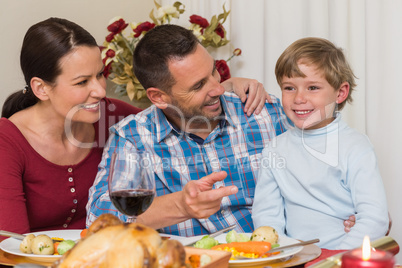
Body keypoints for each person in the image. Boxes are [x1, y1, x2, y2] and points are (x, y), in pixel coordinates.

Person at [0, 18, 270, 235]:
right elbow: (9, 244)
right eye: (82, 82)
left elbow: (171, 109)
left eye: (100, 75)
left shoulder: (114, 117)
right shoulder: (8, 141)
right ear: (40, 88)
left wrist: (221, 89)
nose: (99, 90)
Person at [86, 25, 357, 236]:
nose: (218, 88)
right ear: (158, 97)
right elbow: (100, 221)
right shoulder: (133, 137)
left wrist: (353, 213)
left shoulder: (265, 112)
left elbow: (332, 167)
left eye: (214, 72)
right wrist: (181, 205)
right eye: (197, 85)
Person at [252, 37, 389, 249]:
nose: (299, 98)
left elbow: (375, 218)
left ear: (340, 93)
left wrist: (337, 259)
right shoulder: (274, 149)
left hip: (343, 257)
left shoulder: (355, 147)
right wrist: (279, 255)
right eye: (289, 88)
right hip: (293, 258)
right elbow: (267, 216)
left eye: (313, 87)